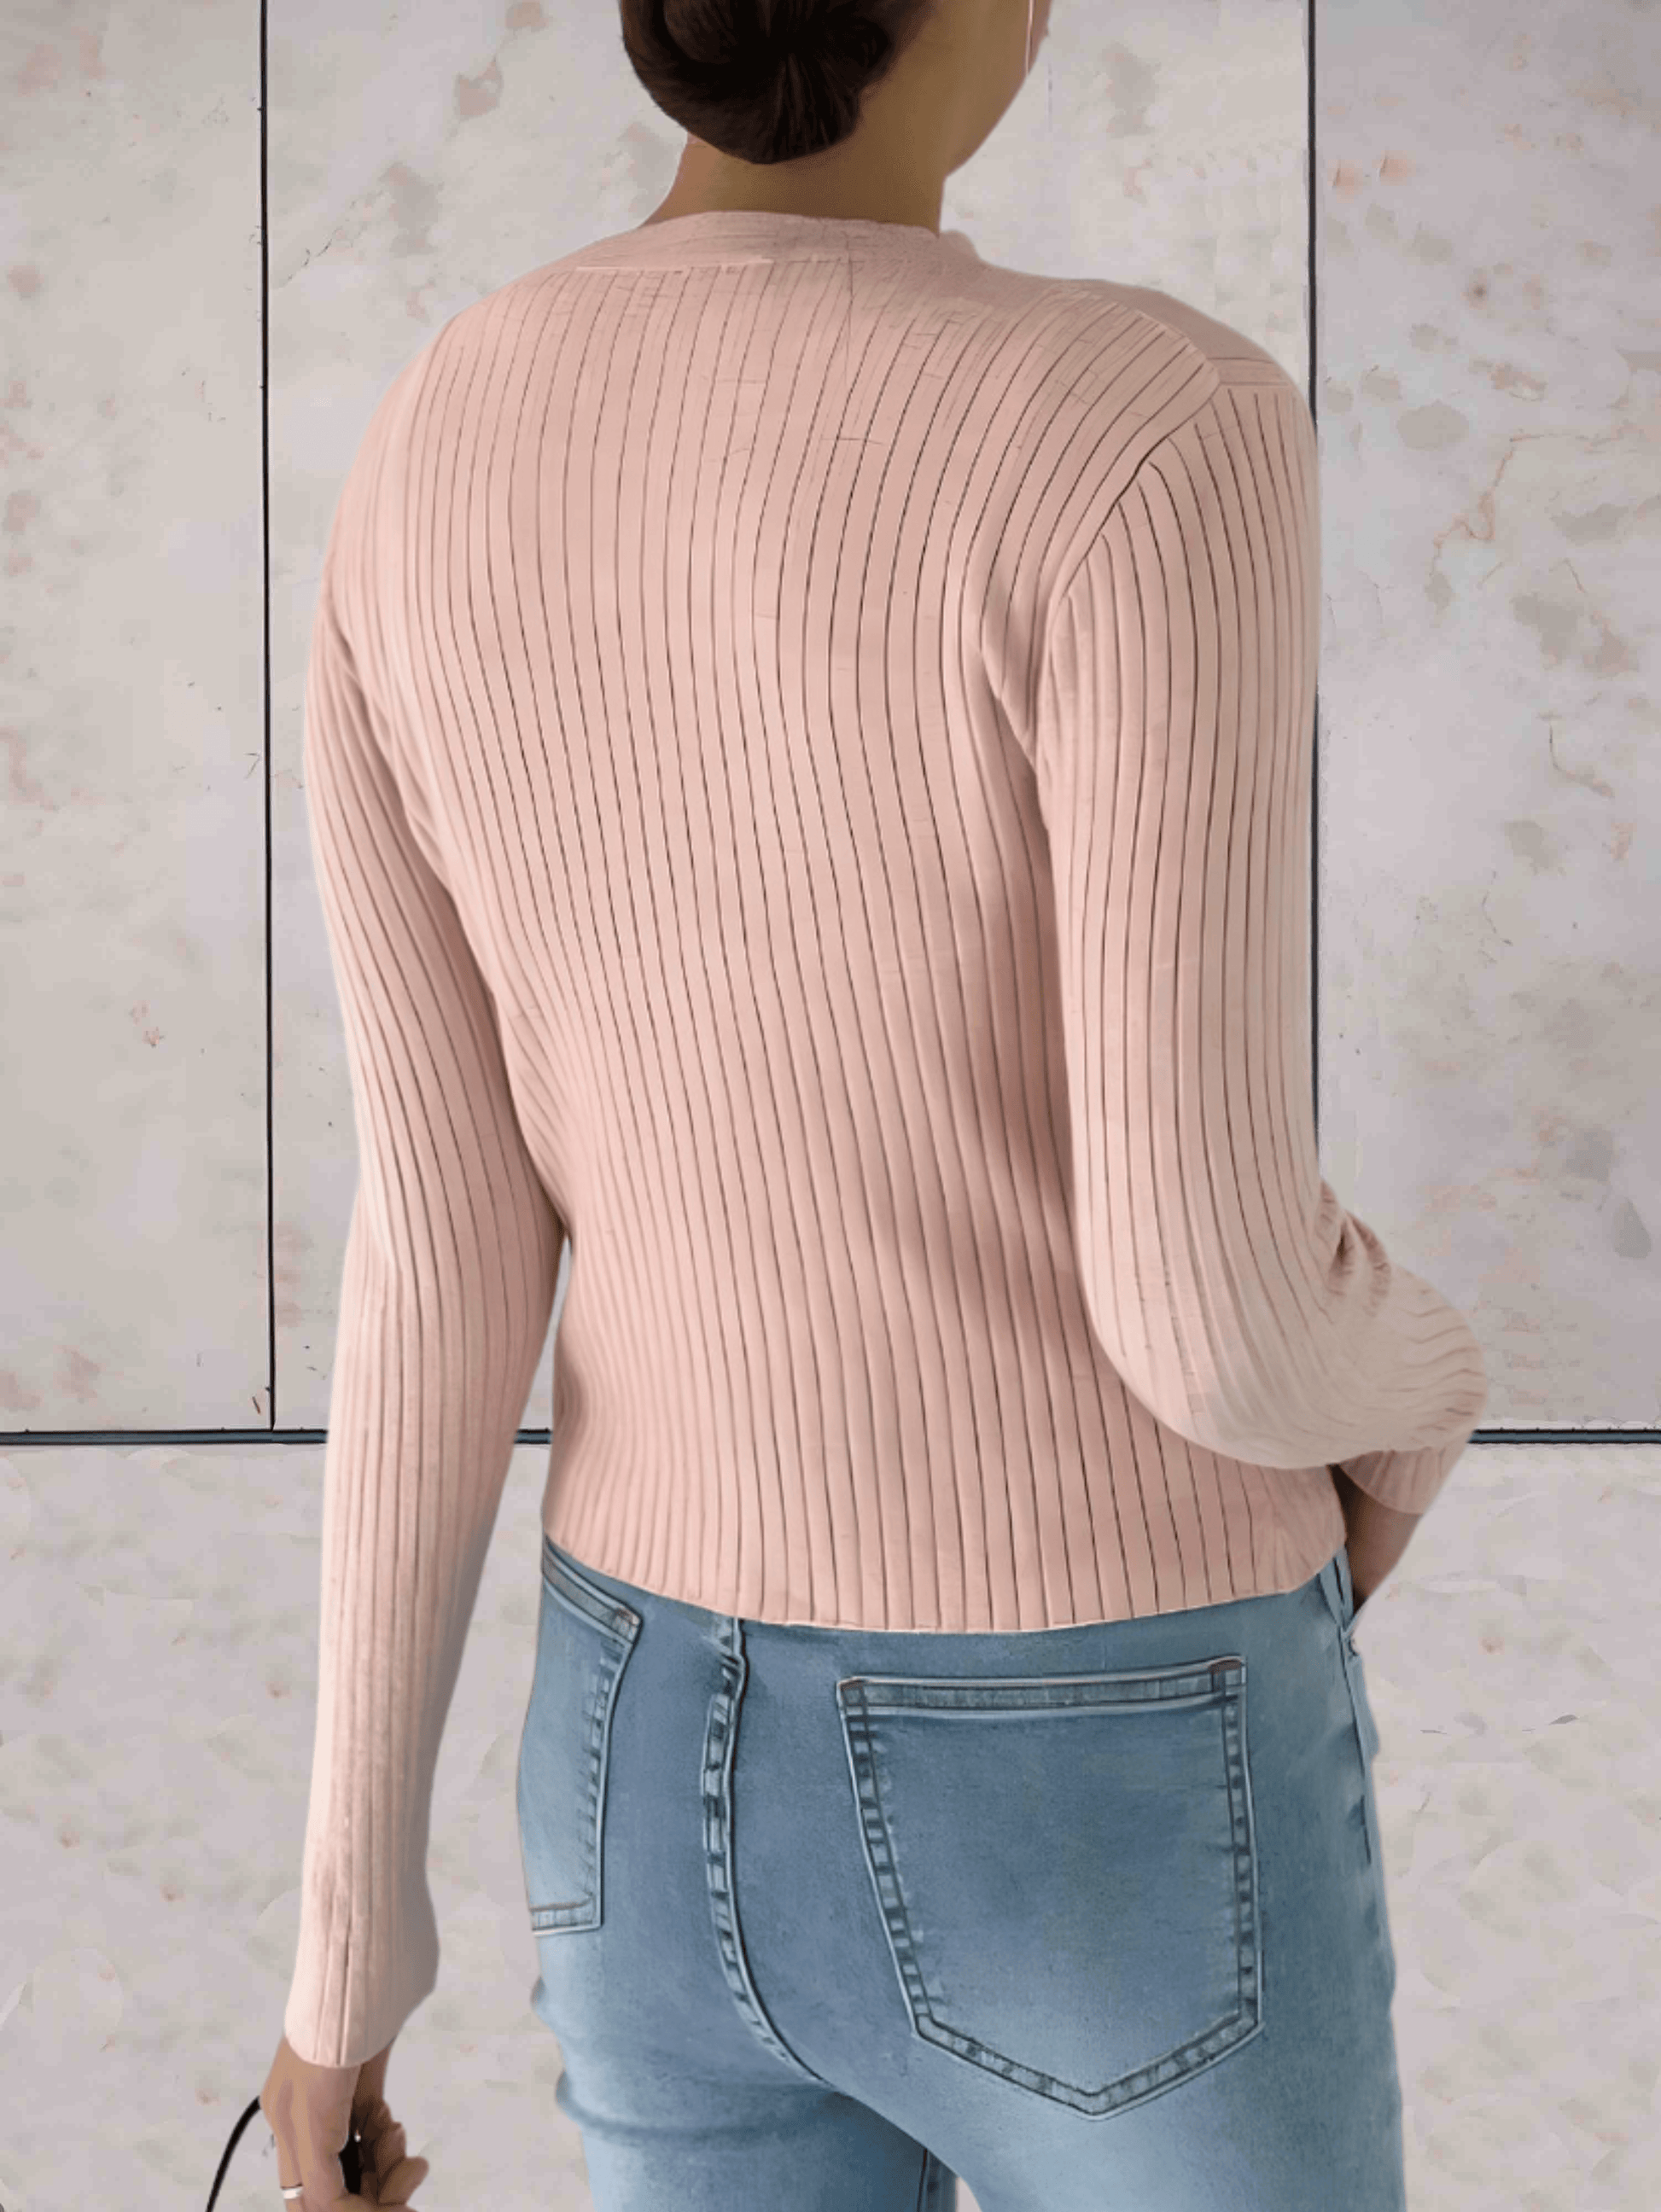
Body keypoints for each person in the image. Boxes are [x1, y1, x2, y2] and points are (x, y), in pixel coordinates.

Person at [260, 0, 1488, 2204]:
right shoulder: (1150, 430)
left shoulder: (435, 428)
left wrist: (345, 1962)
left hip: (635, 1746)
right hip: (1103, 1752)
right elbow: (1215, 1311)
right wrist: (1425, 1388)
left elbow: (439, 1258)